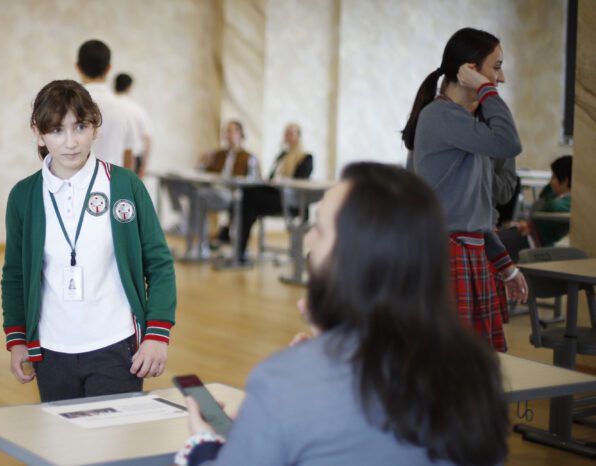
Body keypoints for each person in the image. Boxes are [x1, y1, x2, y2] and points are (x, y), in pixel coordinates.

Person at [176, 162, 509, 466]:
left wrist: (202, 446)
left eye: (320, 228)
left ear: (353, 259)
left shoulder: (283, 382)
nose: (307, 238)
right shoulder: (476, 373)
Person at [1, 80, 176, 402]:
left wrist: (157, 334)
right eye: (57, 130)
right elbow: (14, 275)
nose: (70, 142)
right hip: (51, 350)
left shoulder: (125, 186)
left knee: (114, 434)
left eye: (80, 127)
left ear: (95, 128)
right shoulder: (24, 196)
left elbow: (159, 264)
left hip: (117, 346)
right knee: (61, 435)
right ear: (39, 134)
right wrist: (17, 339)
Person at [403, 27, 528, 352]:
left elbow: (473, 215)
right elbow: (509, 142)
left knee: (472, 367)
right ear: (470, 70)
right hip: (448, 255)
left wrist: (505, 265)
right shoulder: (441, 115)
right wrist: (485, 89)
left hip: (468, 252)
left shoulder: (462, 123)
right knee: (453, 365)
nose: (501, 78)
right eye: (496, 67)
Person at [168, 120, 259, 259]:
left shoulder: (248, 157)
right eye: (225, 131)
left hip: (232, 194)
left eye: (231, 131)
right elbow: (201, 172)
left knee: (199, 196)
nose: (227, 134)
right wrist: (202, 162)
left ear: (240, 134)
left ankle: (195, 238)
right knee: (192, 193)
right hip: (213, 191)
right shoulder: (218, 155)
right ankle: (195, 241)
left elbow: (254, 181)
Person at [236, 123, 313, 262]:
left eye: (291, 133)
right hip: (274, 195)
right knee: (246, 196)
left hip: (291, 201)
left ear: (299, 136)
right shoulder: (281, 156)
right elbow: (271, 177)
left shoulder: (306, 158)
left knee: (249, 201)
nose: (287, 136)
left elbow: (300, 182)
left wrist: (281, 181)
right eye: (286, 133)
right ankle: (239, 248)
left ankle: (237, 246)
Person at [77, 40, 138, 169]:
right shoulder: (125, 108)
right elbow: (128, 157)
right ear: (109, 67)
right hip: (112, 179)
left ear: (78, 67)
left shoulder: (67, 105)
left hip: (74, 180)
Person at [498, 155, 573, 261]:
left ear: (565, 181)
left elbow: (552, 206)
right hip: (526, 234)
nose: (551, 182)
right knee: (492, 239)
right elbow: (544, 195)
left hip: (533, 242)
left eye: (554, 177)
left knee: (493, 245)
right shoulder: (554, 195)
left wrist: (530, 224)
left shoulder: (568, 202)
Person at [115, 73, 152, 178]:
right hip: (133, 160)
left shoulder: (107, 107)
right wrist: (144, 166)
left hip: (110, 158)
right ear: (129, 88)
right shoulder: (137, 110)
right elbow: (148, 139)